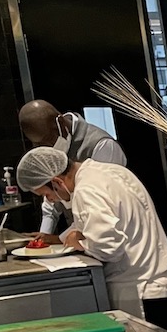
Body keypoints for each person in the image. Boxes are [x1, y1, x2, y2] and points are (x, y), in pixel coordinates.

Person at [16, 146, 167, 326]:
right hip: (158, 283)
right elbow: (93, 223)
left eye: (46, 194)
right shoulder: (109, 171)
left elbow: (109, 249)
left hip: (139, 291)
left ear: (56, 182)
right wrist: (60, 238)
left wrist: (80, 244)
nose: (50, 200)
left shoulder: (86, 191)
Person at [18, 101, 126, 237]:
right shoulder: (49, 149)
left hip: (111, 232)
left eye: (48, 140)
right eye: (39, 144)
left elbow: (102, 204)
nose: (47, 147)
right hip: (83, 237)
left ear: (60, 123)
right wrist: (43, 237)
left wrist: (62, 239)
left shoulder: (101, 145)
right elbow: (50, 199)